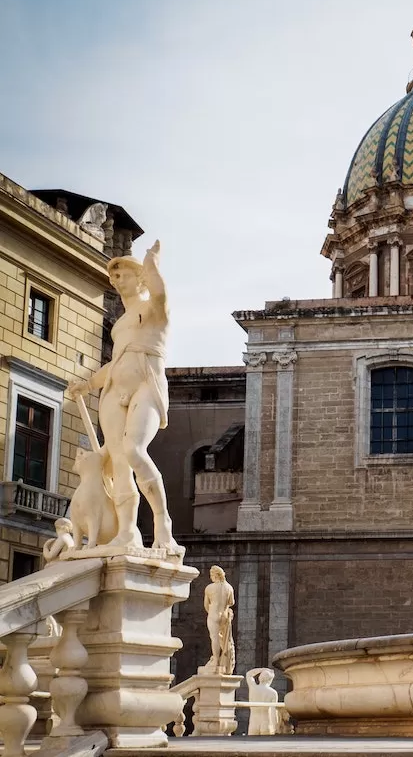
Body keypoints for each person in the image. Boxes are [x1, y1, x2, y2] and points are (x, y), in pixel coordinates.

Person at [68, 241, 179, 551]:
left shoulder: (155, 311)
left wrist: (152, 263)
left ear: (140, 277)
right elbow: (115, 362)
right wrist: (88, 383)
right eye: (113, 277)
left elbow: (160, 293)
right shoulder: (118, 327)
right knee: (119, 463)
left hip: (147, 384)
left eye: (123, 274)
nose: (116, 280)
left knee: (133, 449)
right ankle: (127, 533)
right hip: (114, 390)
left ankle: (162, 522)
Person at [204, 566, 236, 673]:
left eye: (211, 575)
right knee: (224, 639)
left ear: (215, 575)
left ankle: (216, 660)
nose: (211, 577)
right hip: (225, 616)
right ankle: (224, 659)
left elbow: (206, 605)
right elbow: (231, 602)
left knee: (215, 638)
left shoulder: (209, 588)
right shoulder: (229, 587)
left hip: (213, 614)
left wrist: (212, 613)